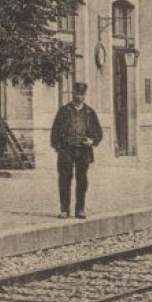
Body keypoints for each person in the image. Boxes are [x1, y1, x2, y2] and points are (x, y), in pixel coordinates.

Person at [49, 82, 102, 219]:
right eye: (77, 93)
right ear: (72, 93)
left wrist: (92, 141)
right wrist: (58, 147)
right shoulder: (64, 111)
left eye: (82, 94)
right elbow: (54, 131)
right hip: (66, 150)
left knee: (82, 180)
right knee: (64, 179)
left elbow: (98, 133)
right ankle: (64, 210)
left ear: (85, 95)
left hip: (83, 150)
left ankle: (80, 209)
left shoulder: (90, 112)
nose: (79, 97)